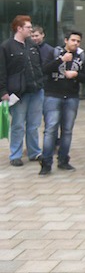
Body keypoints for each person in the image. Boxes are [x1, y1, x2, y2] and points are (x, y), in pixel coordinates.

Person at [39, 30, 85, 174]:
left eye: (78, 41)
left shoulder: (82, 55)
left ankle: (63, 160)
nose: (75, 43)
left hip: (72, 96)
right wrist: (61, 60)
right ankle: (46, 163)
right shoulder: (55, 52)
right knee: (51, 129)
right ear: (66, 40)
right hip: (53, 95)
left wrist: (76, 75)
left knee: (67, 130)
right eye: (73, 40)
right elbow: (45, 69)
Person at [0, 15, 44, 166]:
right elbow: (2, 71)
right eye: (28, 27)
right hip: (18, 93)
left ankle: (34, 152)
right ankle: (15, 155)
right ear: (19, 28)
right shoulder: (6, 46)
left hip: (36, 90)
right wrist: (3, 92)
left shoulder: (32, 45)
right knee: (18, 124)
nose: (31, 30)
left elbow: (39, 65)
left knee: (34, 124)